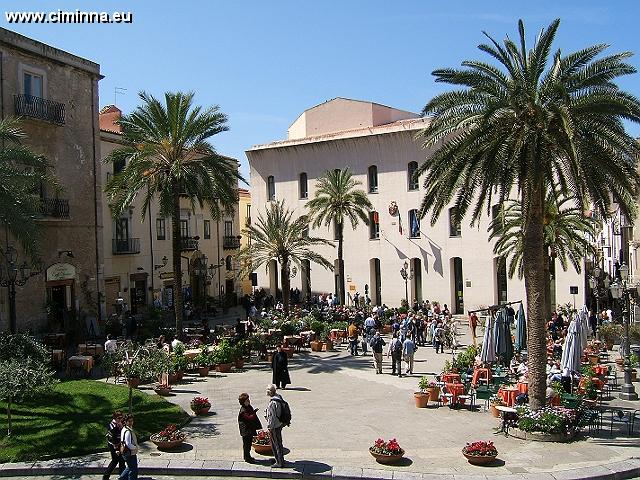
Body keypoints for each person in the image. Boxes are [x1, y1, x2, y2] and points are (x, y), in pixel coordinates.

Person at [238, 393, 262, 464]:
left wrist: (253, 412)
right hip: (246, 431)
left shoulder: (248, 407)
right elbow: (249, 418)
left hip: (249, 429)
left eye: (248, 399)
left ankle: (248, 457)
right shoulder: (243, 410)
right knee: (246, 445)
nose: (249, 401)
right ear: (244, 402)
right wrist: (254, 413)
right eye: (247, 400)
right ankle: (247, 458)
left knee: (248, 444)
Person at [266, 384, 286, 468]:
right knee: (279, 443)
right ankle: (280, 459)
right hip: (280, 424)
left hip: (275, 426)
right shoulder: (279, 397)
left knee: (275, 444)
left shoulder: (272, 403)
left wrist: (269, 427)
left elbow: (272, 417)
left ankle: (279, 462)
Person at [103, 411, 125, 480]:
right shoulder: (112, 426)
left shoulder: (121, 423)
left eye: (122, 417)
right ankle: (106, 476)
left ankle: (122, 476)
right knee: (115, 461)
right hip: (114, 446)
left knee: (122, 461)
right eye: (119, 418)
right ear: (115, 418)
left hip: (120, 445)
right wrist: (116, 450)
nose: (121, 419)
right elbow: (113, 438)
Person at [119, 414, 138, 480]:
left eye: (132, 421)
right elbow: (128, 443)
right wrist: (135, 447)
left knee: (130, 467)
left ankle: (121, 478)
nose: (131, 423)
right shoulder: (128, 431)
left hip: (125, 452)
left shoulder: (124, 429)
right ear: (125, 422)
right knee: (133, 470)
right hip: (130, 453)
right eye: (129, 421)